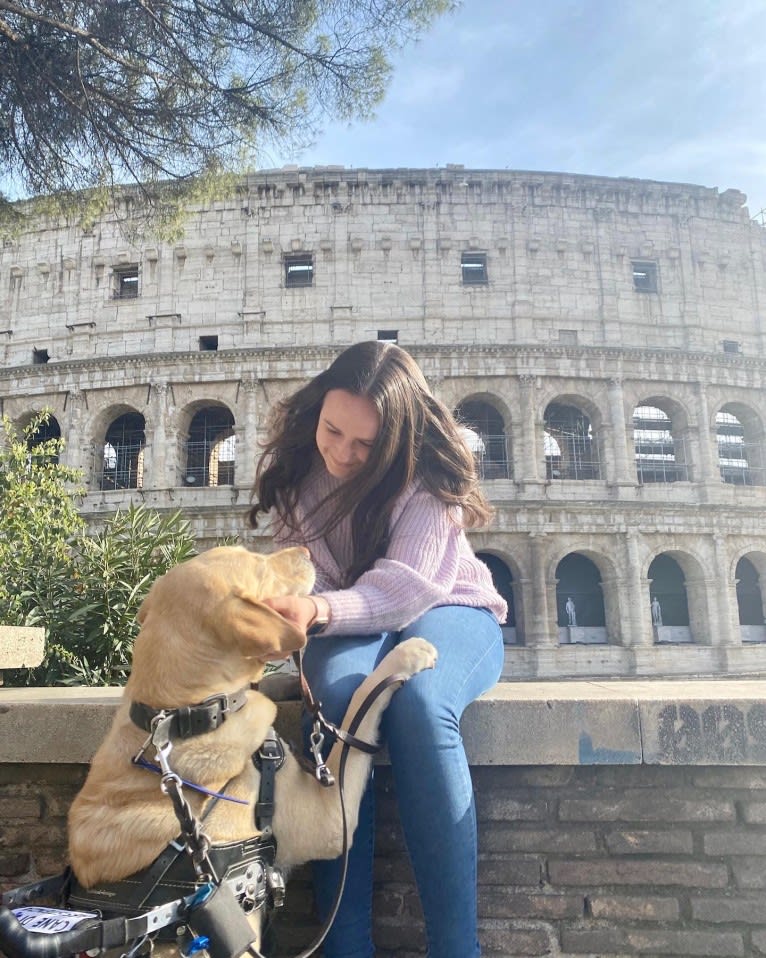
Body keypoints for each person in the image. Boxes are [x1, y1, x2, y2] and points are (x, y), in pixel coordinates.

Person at [248, 341, 507, 958]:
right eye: (332, 430)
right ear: (318, 409)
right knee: (338, 699)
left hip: (453, 608)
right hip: (350, 621)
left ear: (396, 441)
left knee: (421, 704)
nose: (341, 453)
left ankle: (456, 948)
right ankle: (344, 946)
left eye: (364, 445)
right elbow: (302, 571)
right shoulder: (295, 472)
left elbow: (405, 590)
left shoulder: (425, 473)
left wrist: (318, 610)